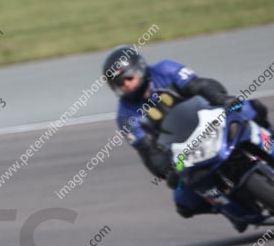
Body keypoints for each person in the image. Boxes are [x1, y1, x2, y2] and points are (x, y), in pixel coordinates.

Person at [102, 45, 271, 232]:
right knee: (183, 200)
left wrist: (221, 98)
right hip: (181, 150)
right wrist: (164, 167)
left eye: (127, 78)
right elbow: (147, 150)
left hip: (210, 120)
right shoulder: (125, 116)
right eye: (118, 83)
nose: (125, 85)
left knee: (248, 108)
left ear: (139, 68)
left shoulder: (165, 69)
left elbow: (199, 85)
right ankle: (230, 209)